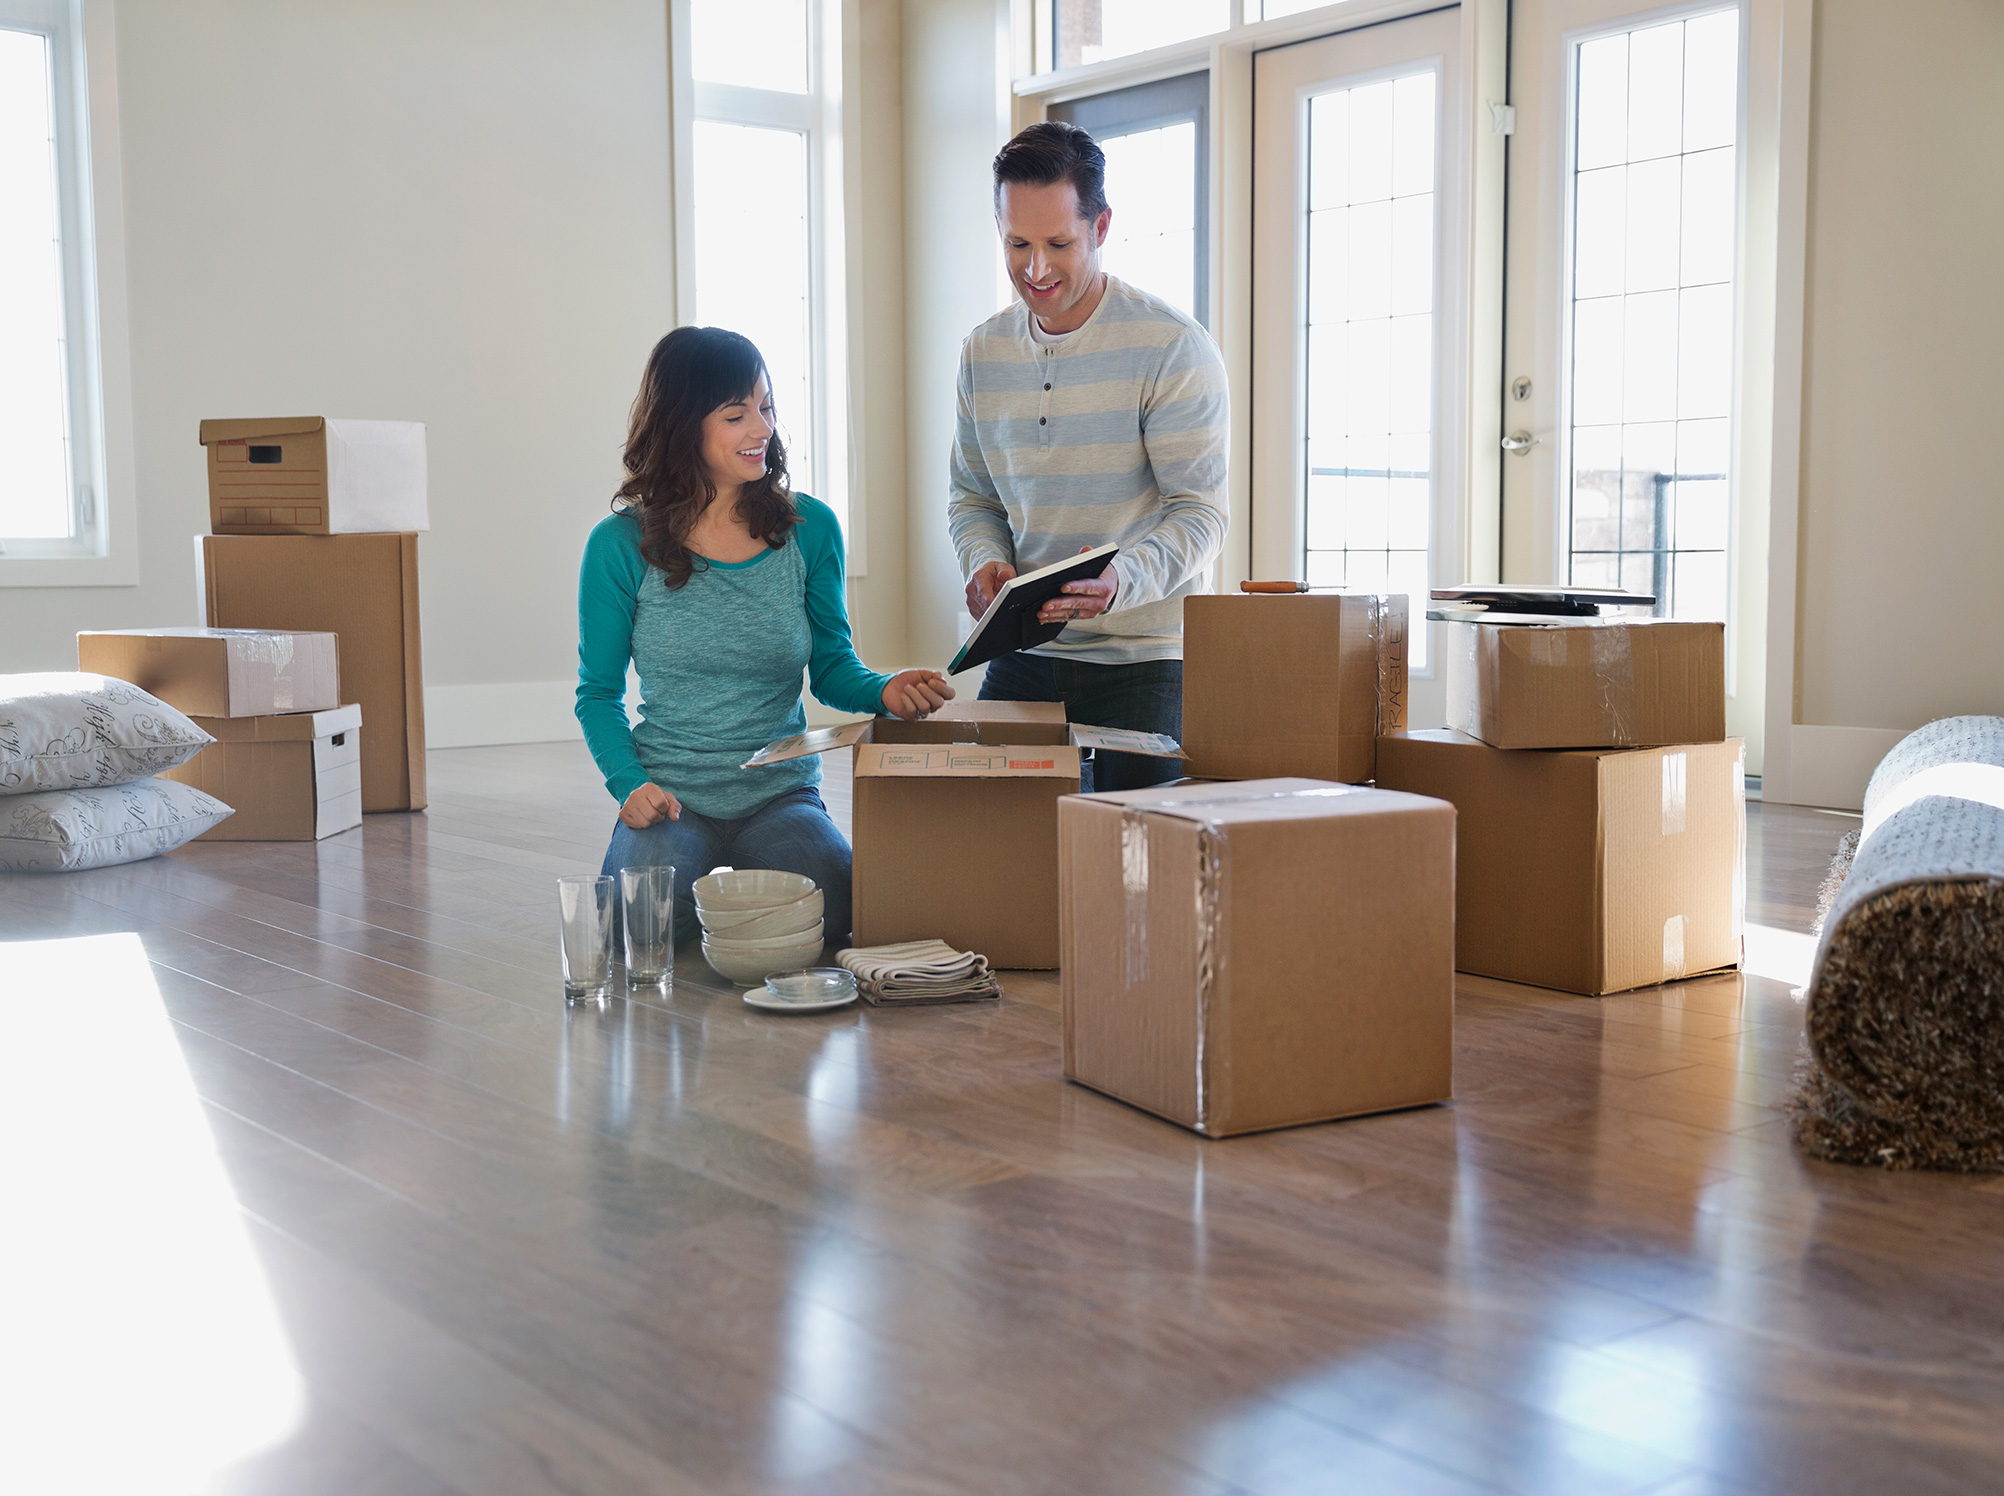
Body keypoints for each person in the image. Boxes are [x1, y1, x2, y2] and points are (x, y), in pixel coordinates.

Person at [577, 325, 951, 948]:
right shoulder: (618, 546)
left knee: (837, 913)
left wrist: (887, 690)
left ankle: (743, 907)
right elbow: (597, 695)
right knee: (634, 930)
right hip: (670, 792)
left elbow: (833, 667)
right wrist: (629, 787)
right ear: (681, 425)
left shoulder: (811, 529)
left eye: (767, 407)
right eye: (736, 413)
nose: (762, 428)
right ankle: (727, 908)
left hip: (778, 793)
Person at [949, 120, 1229, 792]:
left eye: (1057, 244)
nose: (1035, 269)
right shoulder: (983, 353)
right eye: (1016, 244)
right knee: (980, 829)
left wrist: (1119, 583)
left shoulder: (1171, 348)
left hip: (1147, 657)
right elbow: (974, 497)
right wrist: (983, 559)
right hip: (1028, 651)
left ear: (1100, 227)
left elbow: (1200, 516)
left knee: (1132, 858)